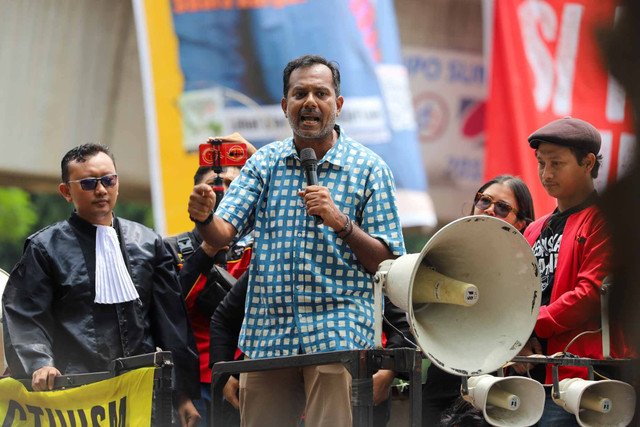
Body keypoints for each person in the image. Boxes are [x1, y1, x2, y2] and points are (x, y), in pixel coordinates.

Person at [188, 54, 405, 427]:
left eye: (321, 93)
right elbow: (223, 233)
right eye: (299, 93)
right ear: (285, 105)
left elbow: (387, 262)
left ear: (337, 105)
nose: (309, 102)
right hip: (269, 330)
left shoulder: (371, 169)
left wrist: (341, 222)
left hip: (338, 331)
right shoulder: (263, 163)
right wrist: (204, 217)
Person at [2, 144, 201, 427]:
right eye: (88, 183)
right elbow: (25, 314)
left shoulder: (148, 243)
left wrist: (183, 395)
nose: (101, 190)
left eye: (109, 179)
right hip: (76, 395)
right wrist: (39, 363)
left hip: (140, 392)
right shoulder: (44, 248)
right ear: (66, 192)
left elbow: (172, 324)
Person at [519, 117, 630, 426]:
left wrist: (527, 326)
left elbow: (589, 293)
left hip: (584, 375)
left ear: (587, 162)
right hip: (528, 374)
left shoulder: (605, 220)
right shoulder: (534, 229)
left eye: (557, 163)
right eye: (541, 163)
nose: (546, 173)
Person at [422, 174, 535, 427]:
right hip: (443, 379)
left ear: (522, 222)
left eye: (503, 207)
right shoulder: (447, 249)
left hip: (494, 386)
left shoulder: (527, 272)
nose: (490, 209)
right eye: (484, 201)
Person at [165, 144, 254, 426]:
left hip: (250, 375)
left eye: (232, 184)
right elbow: (168, 312)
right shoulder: (171, 249)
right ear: (196, 193)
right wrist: (207, 248)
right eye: (213, 184)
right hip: (194, 384)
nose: (222, 190)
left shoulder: (260, 248)